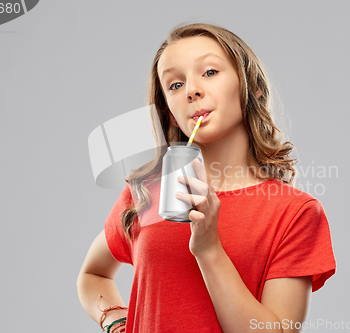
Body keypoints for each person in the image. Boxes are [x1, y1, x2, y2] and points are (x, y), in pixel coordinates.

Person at [77, 22, 336, 333]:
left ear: (251, 87)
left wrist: (209, 249)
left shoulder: (295, 213)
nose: (191, 90)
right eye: (174, 85)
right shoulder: (148, 194)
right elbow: (94, 275)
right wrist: (114, 318)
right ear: (171, 113)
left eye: (210, 72)